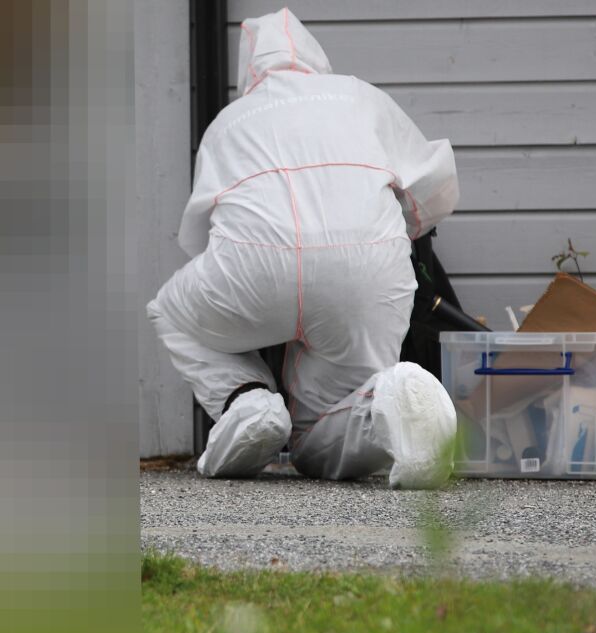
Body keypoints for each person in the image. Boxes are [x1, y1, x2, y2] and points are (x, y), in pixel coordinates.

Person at [147, 8, 459, 489]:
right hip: (365, 271)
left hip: (254, 268)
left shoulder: (227, 122)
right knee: (323, 427)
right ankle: (387, 404)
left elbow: (198, 236)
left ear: (246, 73)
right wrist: (400, 231)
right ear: (316, 60)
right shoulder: (359, 95)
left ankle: (246, 401)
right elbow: (434, 187)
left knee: (171, 312)